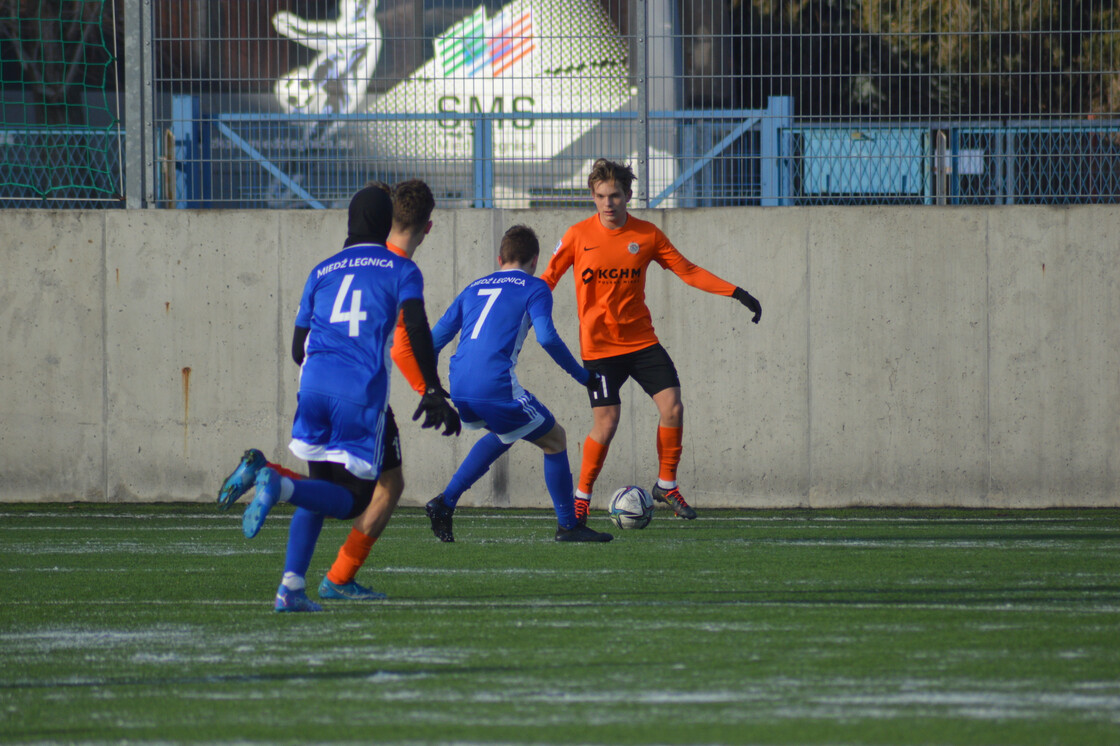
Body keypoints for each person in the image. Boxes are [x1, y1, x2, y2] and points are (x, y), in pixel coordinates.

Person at [220, 180, 460, 612]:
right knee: (354, 500)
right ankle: (278, 483)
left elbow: (298, 349)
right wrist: (433, 388)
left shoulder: (321, 270)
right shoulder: (399, 267)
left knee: (320, 488)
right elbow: (417, 327)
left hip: (312, 387)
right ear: (387, 222)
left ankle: (291, 588)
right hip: (358, 394)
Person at [540, 158, 762, 522]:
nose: (608, 203)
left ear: (628, 195)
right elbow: (547, 279)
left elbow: (687, 270)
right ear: (592, 197)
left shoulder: (647, 235)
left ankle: (666, 484)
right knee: (607, 423)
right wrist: (522, 310)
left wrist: (735, 292)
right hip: (599, 348)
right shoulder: (578, 236)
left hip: (641, 342)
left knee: (673, 407)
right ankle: (581, 497)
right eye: (600, 196)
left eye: (615, 196)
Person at [422, 225, 613, 543]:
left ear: (500, 258)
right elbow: (548, 338)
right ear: (535, 259)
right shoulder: (535, 288)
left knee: (505, 433)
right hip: (494, 387)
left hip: (458, 386)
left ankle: (444, 502)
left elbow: (433, 341)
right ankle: (568, 525)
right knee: (555, 439)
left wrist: (429, 385)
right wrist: (584, 377)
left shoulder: (474, 287)